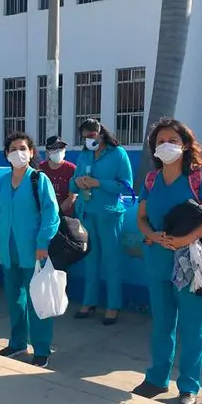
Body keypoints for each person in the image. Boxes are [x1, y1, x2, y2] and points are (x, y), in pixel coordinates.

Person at [134, 118, 202, 404]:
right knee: (162, 323)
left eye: (172, 140)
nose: (166, 145)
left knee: (194, 326)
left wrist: (185, 240)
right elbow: (142, 218)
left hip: (194, 263)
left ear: (185, 145)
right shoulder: (151, 180)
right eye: (160, 141)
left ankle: (188, 387)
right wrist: (152, 236)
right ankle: (157, 378)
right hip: (158, 260)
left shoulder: (200, 176)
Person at [0, 132, 61, 368]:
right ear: (6, 154)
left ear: (31, 152)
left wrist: (43, 244)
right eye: (13, 148)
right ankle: (18, 343)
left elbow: (51, 215)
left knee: (37, 302)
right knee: (15, 300)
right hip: (7, 252)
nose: (18, 152)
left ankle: (42, 349)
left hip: (33, 252)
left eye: (23, 147)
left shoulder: (38, 180)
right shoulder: (1, 183)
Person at [68, 119, 134, 325]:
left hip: (109, 214)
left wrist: (99, 183)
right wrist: (77, 182)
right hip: (87, 212)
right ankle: (89, 302)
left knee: (111, 260)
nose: (89, 139)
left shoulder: (118, 154)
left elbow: (126, 186)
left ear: (101, 133)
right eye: (85, 136)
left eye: (92, 135)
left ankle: (113, 305)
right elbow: (73, 183)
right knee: (90, 259)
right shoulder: (85, 155)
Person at [39, 136, 77, 217]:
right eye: (54, 148)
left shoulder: (71, 169)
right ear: (48, 151)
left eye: (61, 147)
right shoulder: (40, 168)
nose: (58, 151)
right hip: (44, 214)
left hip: (65, 215)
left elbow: (72, 197)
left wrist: (57, 213)